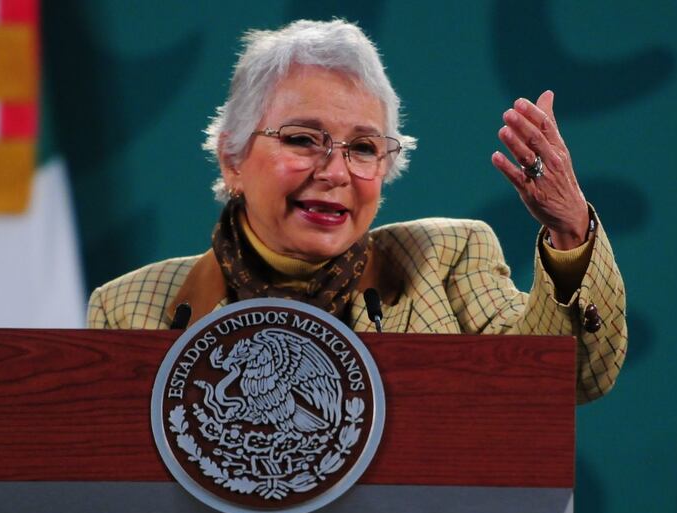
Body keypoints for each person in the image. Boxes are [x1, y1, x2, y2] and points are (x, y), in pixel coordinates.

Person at [87, 19, 626, 404]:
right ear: (232, 157)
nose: (336, 172)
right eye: (302, 139)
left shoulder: (446, 259)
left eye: (364, 148)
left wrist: (570, 229)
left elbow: (567, 377)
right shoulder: (129, 308)